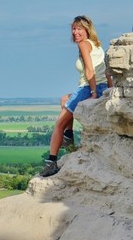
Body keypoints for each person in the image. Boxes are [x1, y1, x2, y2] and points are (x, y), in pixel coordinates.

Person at [40, 15, 113, 177]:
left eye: (79, 28)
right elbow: (106, 72)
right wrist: (110, 90)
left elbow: (89, 70)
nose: (75, 32)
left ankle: (51, 162)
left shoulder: (83, 45)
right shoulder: (97, 46)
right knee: (64, 99)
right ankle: (69, 136)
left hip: (88, 87)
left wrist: (94, 93)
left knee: (59, 123)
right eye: (73, 28)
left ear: (87, 30)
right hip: (98, 86)